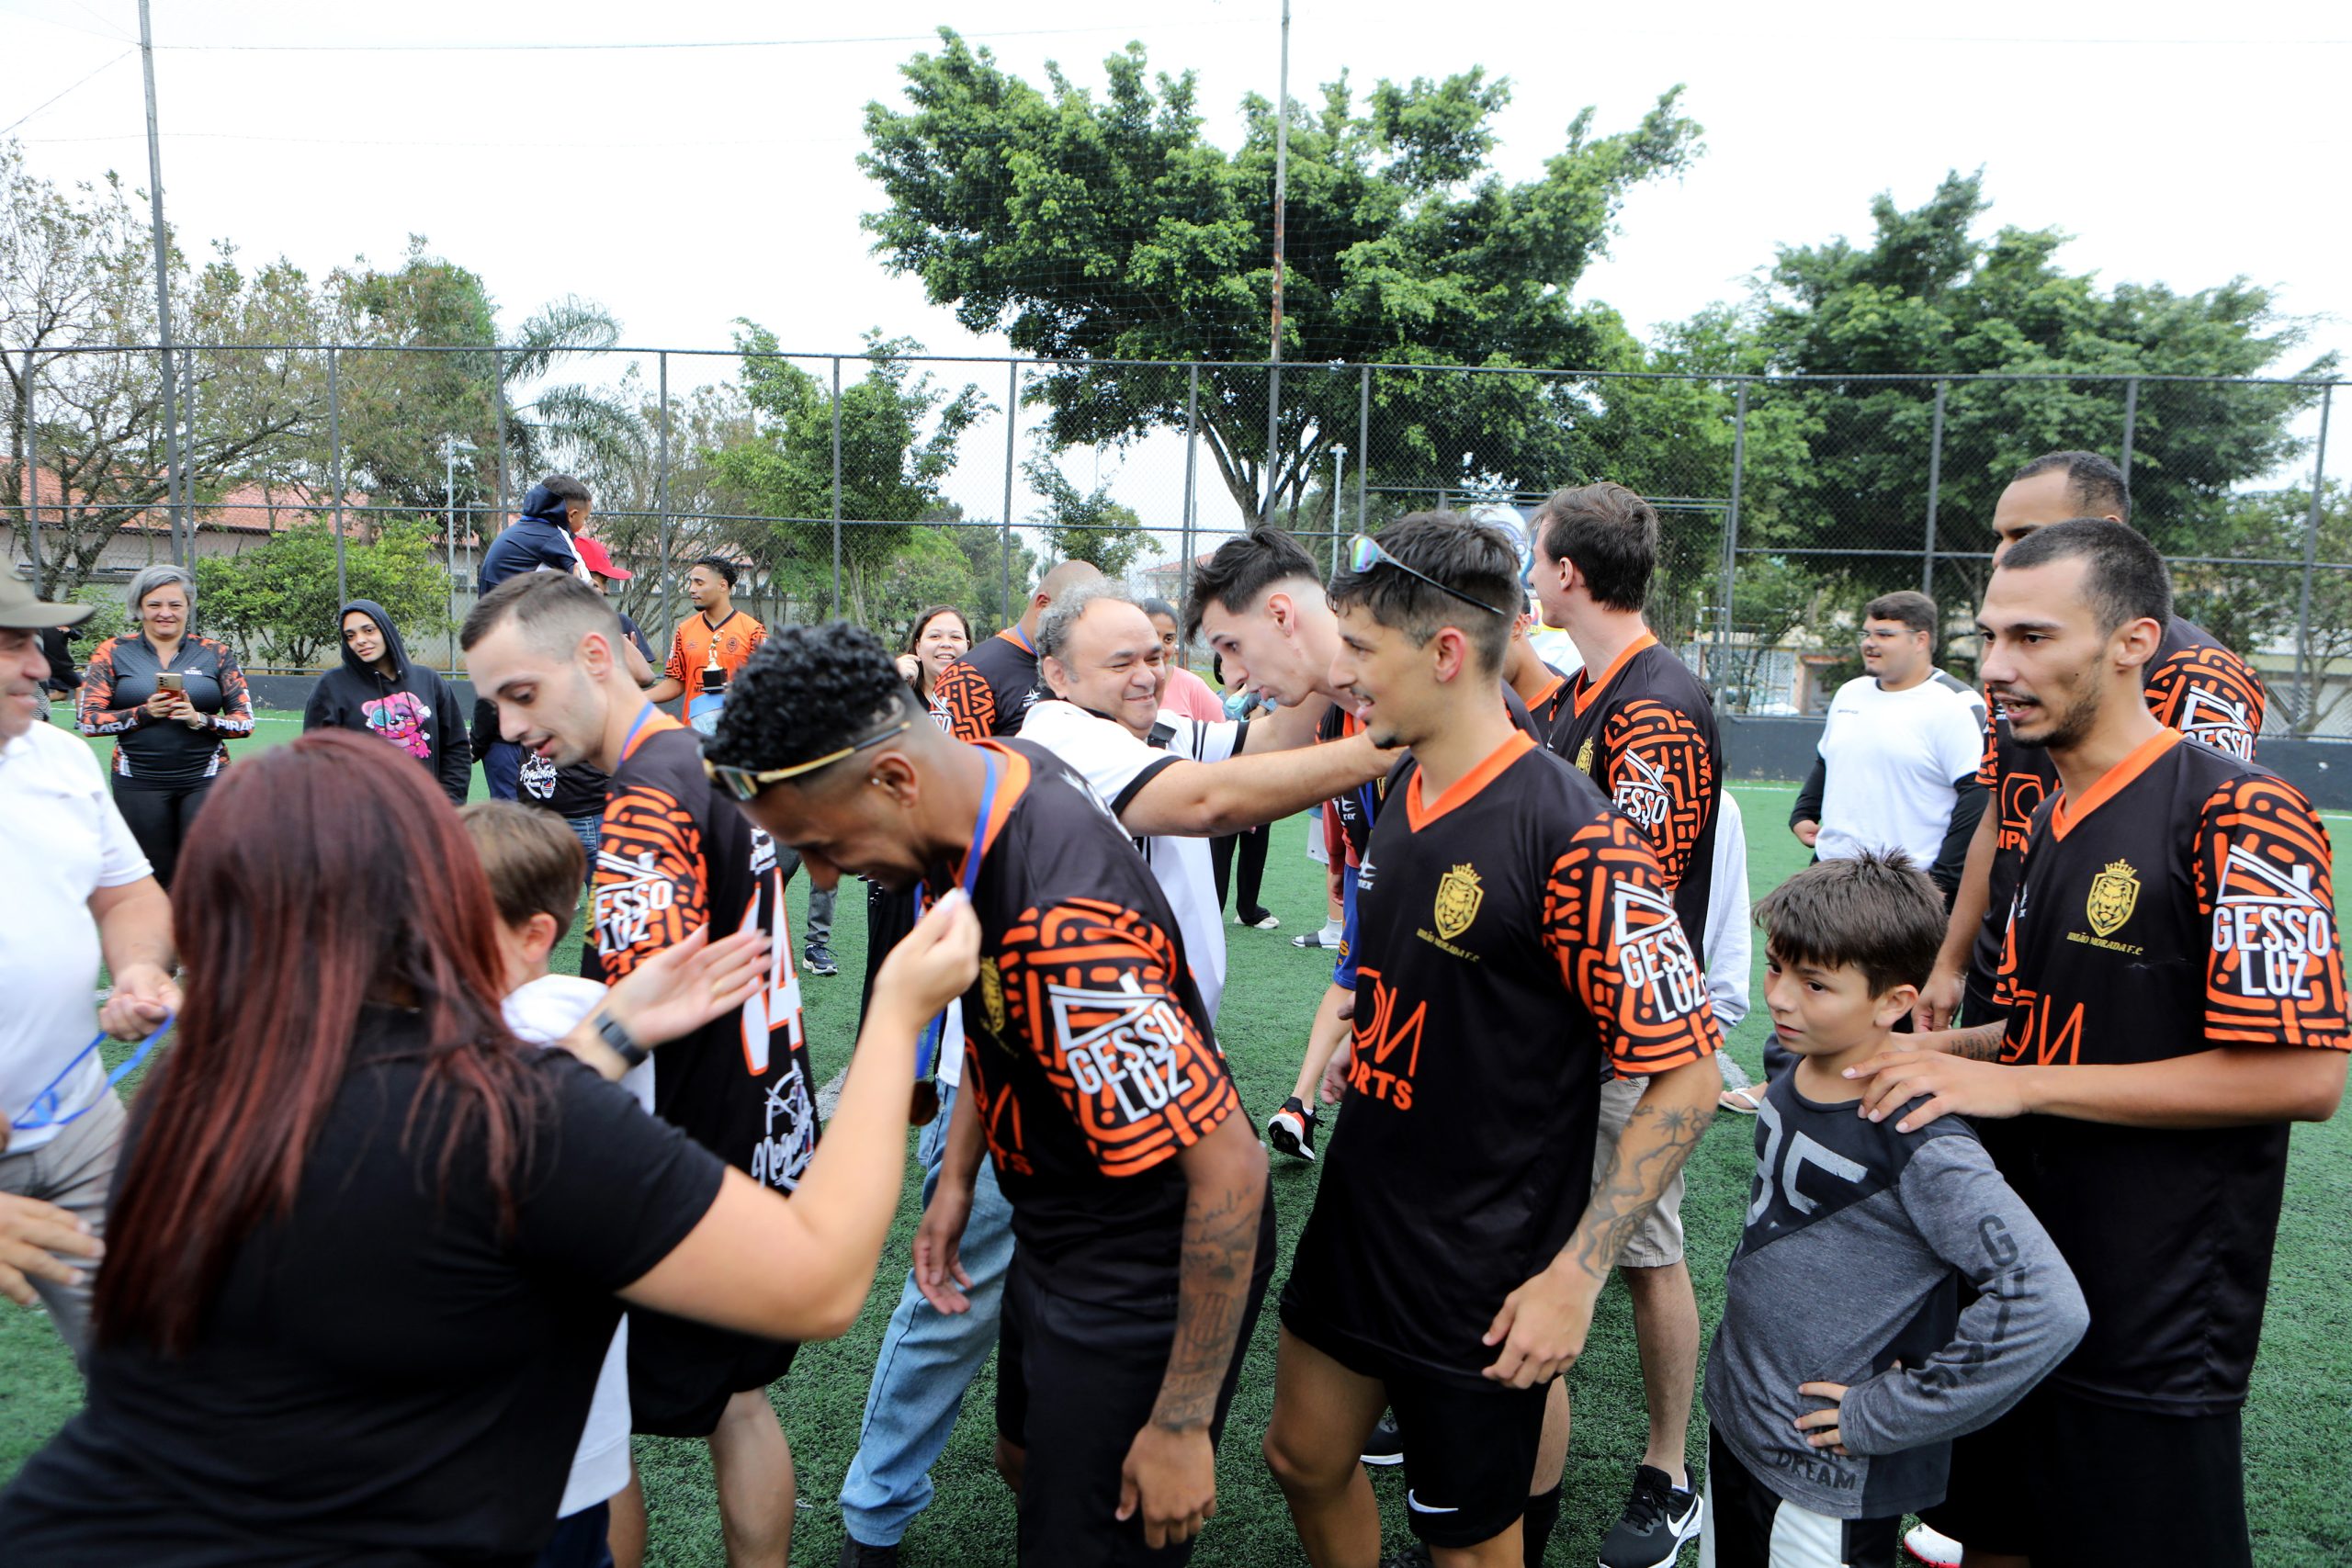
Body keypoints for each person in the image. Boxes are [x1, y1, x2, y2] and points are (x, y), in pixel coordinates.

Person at [0, 727, 981, 1564]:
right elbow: (818, 1281)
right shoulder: (503, 1111)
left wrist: (610, 1035)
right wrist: (896, 1020)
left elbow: (422, 1175)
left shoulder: (197, 1090)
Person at [706, 624, 1274, 1567]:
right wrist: (962, 1177)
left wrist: (1180, 1421)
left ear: (892, 780)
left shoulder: (1066, 924)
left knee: (1099, 1533)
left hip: (1142, 1269)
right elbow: (996, 1008)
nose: (821, 874)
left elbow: (1230, 1171)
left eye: (818, 841)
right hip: (1057, 1224)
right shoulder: (983, 785)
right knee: (1026, 1460)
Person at [1849, 520, 2346, 1568]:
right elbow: (2061, 1024)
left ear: (2132, 642)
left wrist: (2019, 1089)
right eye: (1987, 638)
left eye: (2032, 637)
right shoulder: (2047, 815)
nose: (1995, 668)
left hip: (2151, 1314)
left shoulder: (2244, 812)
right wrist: (1950, 1057)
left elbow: (2303, 1074)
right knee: (1988, 1539)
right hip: (2022, 1282)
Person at [1261, 511, 1722, 1568]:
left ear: (1446, 651)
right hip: (1364, 1204)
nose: (1348, 676)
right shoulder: (1396, 783)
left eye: (1364, 651)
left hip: (1482, 1257)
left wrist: (1578, 1271)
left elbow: (1688, 1079)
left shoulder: (1576, 836)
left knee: (1471, 1545)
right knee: (1301, 1456)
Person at [464, 571, 820, 1568]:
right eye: (493, 703)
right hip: (761, 1115)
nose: (508, 724)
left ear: (591, 656)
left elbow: (634, 1001)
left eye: (519, 694)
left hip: (678, 1148)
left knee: (596, 1417)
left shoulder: (647, 795)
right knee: (737, 1402)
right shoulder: (703, 759)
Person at [1703, 852, 2086, 1568]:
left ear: (1891, 1001)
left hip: (1827, 1472)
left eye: (1815, 983)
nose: (1781, 997)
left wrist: (1888, 1412)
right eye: (1777, 966)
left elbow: (2047, 1303)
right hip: (1737, 1419)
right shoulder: (1792, 1060)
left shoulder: (1921, 1135)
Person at [1524, 481, 1722, 1565]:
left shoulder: (1653, 702)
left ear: (1565, 573)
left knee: (1645, 1249)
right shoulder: (1583, 689)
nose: (1525, 571)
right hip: (1569, 1032)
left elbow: (1636, 877)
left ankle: (1667, 1473)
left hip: (1631, 1044)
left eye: (1534, 554)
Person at [1918, 449, 2268, 1037]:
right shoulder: (2013, 669)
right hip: (2005, 964)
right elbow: (1998, 813)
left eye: (2026, 533)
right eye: (2000, 536)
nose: (2005, 552)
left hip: (2118, 985)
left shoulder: (2200, 673)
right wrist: (1951, 962)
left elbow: (2206, 841)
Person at [1025, 580, 1388, 1020]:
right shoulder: (1060, 738)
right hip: (1090, 1057)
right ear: (1057, 675)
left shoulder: (1159, 726)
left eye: (1155, 657)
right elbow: (1209, 804)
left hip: (1161, 1040)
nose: (1147, 676)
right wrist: (1391, 745)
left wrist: (1311, 661)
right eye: (1121, 664)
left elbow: (1274, 739)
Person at [459, 799, 650, 1568]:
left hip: (529, 1393)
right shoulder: (579, 1015)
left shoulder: (547, 1016)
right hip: (551, 1379)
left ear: (534, 935)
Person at [0, 575, 178, 1359]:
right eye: (12, 644)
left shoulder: (62, 760)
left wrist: (139, 967)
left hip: (82, 1126)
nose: (41, 666)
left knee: (151, 1354)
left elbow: (130, 894)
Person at [1788, 592, 1985, 899]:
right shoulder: (1850, 693)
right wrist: (1803, 813)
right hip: (1831, 870)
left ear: (1920, 640)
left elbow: (1977, 794)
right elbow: (1827, 759)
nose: (1870, 643)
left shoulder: (1956, 703)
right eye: (1867, 633)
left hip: (1904, 884)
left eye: (1884, 634)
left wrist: (1943, 878)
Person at [76, 564, 254, 888]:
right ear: (139, 607)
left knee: (206, 874)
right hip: (138, 782)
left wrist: (199, 718)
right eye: (154, 604)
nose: (165, 613)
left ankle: (202, 938)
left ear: (188, 606)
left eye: (175, 604)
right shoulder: (113, 651)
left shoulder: (215, 653)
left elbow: (244, 723)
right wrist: (145, 712)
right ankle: (157, 938)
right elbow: (88, 721)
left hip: (206, 779)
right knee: (150, 876)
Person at [476, 474, 596, 800]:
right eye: (584, 518)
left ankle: (485, 738)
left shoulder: (518, 532)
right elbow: (586, 588)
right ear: (572, 515)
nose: (582, 525)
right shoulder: (555, 534)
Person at [302, 599, 472, 804]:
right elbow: (315, 762)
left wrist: (449, 804)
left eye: (368, 630)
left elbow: (455, 748)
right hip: (363, 823)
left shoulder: (429, 681)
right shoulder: (331, 686)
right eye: (350, 635)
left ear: (386, 629)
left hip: (427, 815)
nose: (360, 640)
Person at [928, 558, 1103, 739]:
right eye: (1077, 618)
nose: (1086, 632)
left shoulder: (1093, 665)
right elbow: (948, 763)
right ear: (1043, 605)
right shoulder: (968, 677)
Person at [645, 556, 766, 708]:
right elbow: (676, 683)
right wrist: (639, 697)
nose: (691, 589)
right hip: (695, 728)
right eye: (691, 582)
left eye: (699, 583)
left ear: (722, 585)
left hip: (735, 728)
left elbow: (769, 683)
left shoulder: (754, 631)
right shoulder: (685, 629)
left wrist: (740, 690)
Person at [1141, 595, 1227, 725]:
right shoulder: (1119, 684)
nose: (1160, 647)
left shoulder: (1193, 687)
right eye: (1152, 635)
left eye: (1168, 639)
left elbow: (1221, 736)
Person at [895, 603, 972, 709]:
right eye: (935, 636)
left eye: (955, 637)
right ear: (918, 647)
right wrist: (889, 680)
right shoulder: (897, 697)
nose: (946, 644)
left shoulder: (985, 699)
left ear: (967, 646)